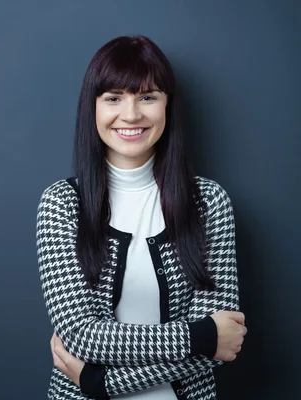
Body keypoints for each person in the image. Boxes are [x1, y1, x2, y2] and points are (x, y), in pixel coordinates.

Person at [35, 35, 247, 400]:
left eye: (147, 97)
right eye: (113, 98)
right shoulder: (62, 203)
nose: (131, 115)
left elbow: (223, 346)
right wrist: (201, 336)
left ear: (168, 106)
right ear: (93, 108)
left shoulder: (208, 202)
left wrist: (98, 383)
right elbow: (82, 336)